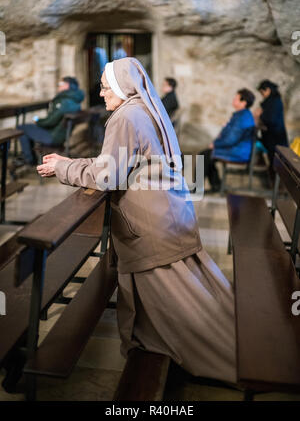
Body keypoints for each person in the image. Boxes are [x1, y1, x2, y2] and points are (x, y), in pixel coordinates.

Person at [37, 58, 236, 384]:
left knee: (190, 317)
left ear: (121, 86)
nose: (101, 93)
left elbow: (106, 175)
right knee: (196, 300)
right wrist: (71, 161)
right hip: (169, 217)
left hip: (152, 226)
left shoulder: (126, 116)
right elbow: (114, 161)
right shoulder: (143, 107)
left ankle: (238, 359)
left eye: (104, 86)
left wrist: (63, 169)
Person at [18, 77, 84, 165]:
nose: (58, 87)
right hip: (62, 135)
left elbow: (50, 121)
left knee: (21, 128)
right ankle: (30, 157)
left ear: (66, 85)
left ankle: (29, 159)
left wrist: (37, 120)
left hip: (53, 136)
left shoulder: (64, 101)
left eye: (60, 85)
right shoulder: (74, 100)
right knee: (28, 128)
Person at [199, 89, 255, 192]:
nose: (233, 100)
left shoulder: (242, 118)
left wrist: (215, 144)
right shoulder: (241, 114)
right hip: (236, 148)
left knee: (204, 155)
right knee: (206, 155)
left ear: (244, 103)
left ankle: (196, 188)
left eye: (236, 99)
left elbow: (231, 139)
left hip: (238, 151)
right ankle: (216, 186)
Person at [254, 80, 288, 170]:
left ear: (268, 90)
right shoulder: (271, 101)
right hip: (272, 136)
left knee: (277, 164)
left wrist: (260, 115)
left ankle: (274, 179)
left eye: (262, 92)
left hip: (275, 138)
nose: (262, 95)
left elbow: (271, 119)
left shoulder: (274, 102)